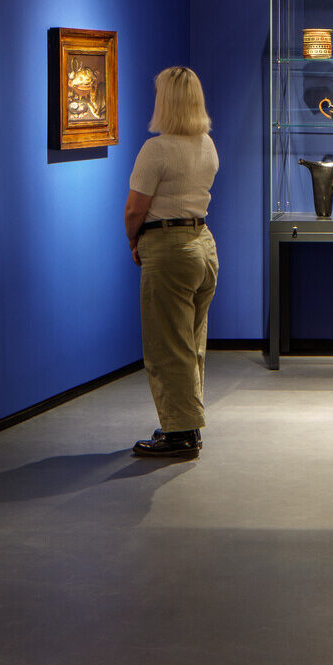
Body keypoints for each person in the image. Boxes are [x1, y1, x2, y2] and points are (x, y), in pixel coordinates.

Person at [124, 66, 220, 457]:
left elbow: (134, 210)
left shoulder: (157, 150)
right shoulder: (207, 145)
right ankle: (190, 423)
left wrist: (133, 240)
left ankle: (179, 432)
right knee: (192, 340)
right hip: (203, 244)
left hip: (168, 247)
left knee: (167, 344)